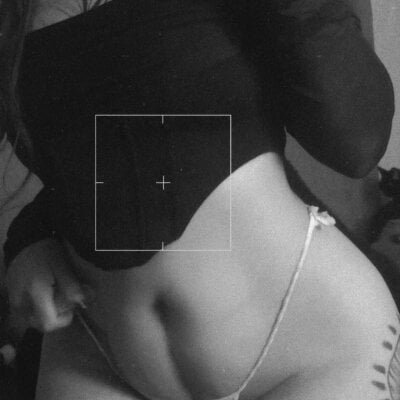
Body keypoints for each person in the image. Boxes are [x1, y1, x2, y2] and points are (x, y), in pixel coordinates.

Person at [1, 0, 399, 399]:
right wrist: (29, 239)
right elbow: (87, 155)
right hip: (98, 354)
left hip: (310, 347)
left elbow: (357, 146)